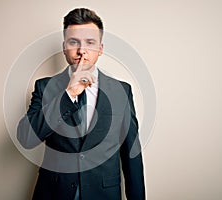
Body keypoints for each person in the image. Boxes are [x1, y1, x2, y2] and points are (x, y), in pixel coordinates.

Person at [17, 8, 145, 200]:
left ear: (100, 48)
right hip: (54, 194)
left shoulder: (122, 91)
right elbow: (26, 138)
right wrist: (68, 94)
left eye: (90, 43)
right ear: (64, 47)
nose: (81, 51)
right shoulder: (44, 87)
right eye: (73, 42)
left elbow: (131, 155)